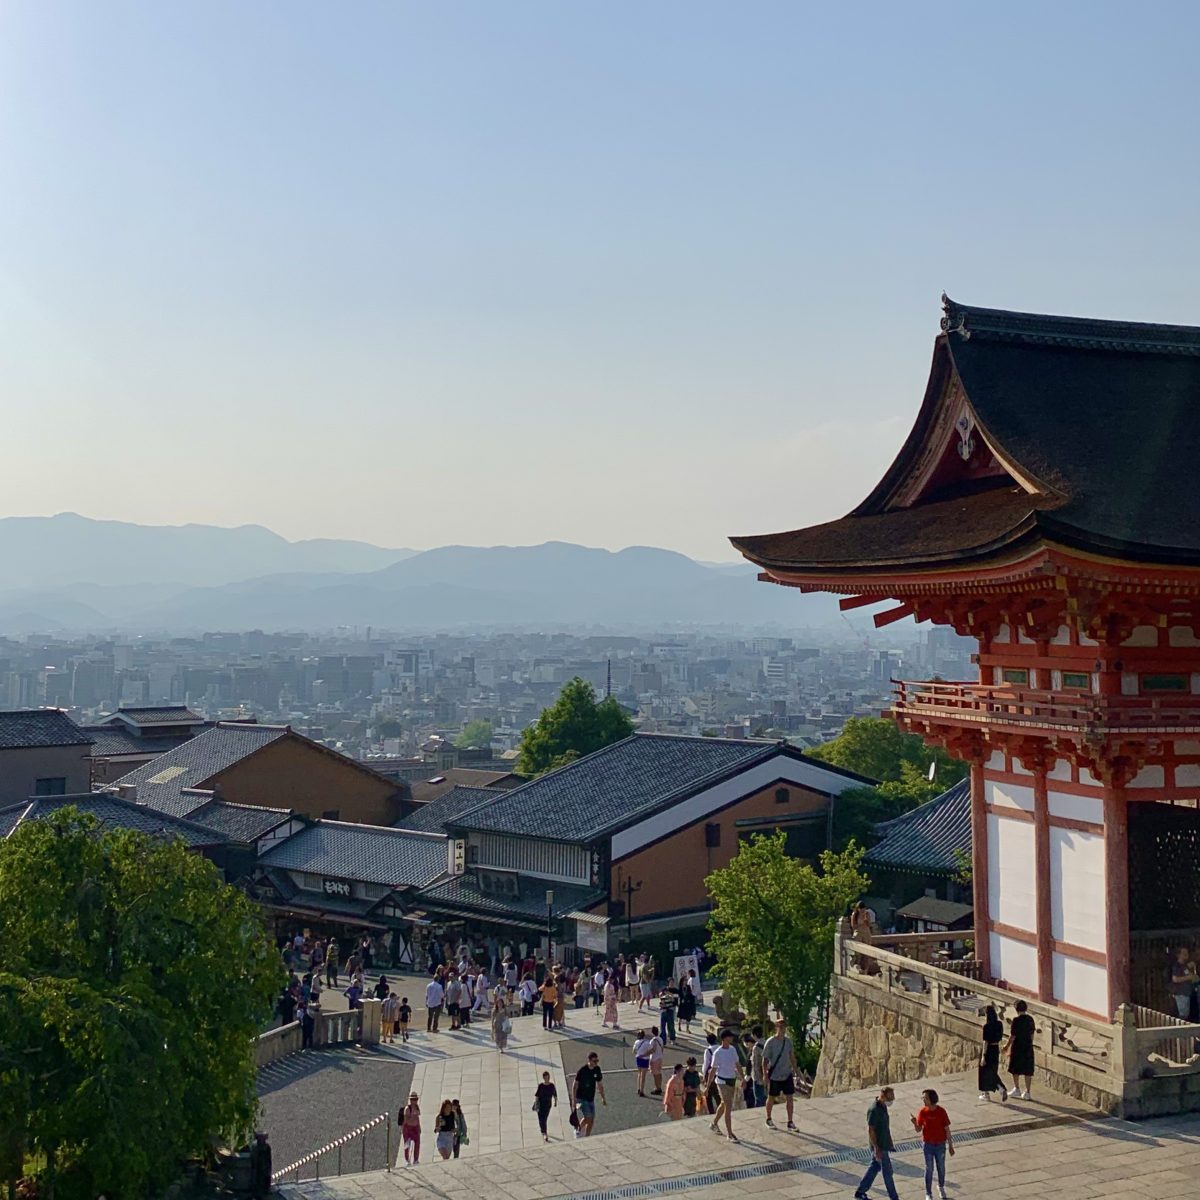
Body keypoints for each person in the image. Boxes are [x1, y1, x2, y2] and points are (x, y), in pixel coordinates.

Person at [854, 1086, 899, 1200]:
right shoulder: (874, 1109)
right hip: (879, 1146)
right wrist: (876, 1148)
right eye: (890, 1097)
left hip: (884, 1144)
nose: (892, 1100)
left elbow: (884, 1126)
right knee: (887, 1173)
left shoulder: (883, 1106)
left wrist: (889, 1141)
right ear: (883, 1095)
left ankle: (860, 1192)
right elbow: (871, 1130)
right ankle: (894, 1197)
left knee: (875, 1167)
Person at [912, 1087, 954, 1200]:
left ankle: (941, 1187)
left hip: (940, 1144)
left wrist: (950, 1145)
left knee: (941, 1167)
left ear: (931, 1099)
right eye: (923, 1098)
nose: (923, 1100)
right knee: (929, 1168)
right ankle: (928, 1193)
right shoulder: (922, 1112)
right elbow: (918, 1129)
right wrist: (915, 1123)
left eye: (925, 1098)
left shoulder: (941, 1111)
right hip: (928, 1145)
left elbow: (947, 1129)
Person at [705, 1028, 744, 1141]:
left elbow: (737, 1064)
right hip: (722, 1081)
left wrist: (742, 1078)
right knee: (728, 1106)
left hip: (732, 1079)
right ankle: (730, 1133)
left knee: (723, 1104)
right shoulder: (718, 1053)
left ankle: (714, 1123)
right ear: (724, 1038)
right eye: (730, 1036)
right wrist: (707, 1086)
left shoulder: (732, 1049)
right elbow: (713, 1070)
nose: (732, 1038)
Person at [762, 1018, 798, 1131]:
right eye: (780, 1027)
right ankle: (768, 1118)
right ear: (776, 1028)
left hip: (787, 1073)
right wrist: (765, 1075)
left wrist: (796, 1071)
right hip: (775, 1075)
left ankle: (790, 1121)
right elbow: (765, 1060)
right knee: (771, 1097)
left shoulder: (788, 1041)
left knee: (790, 1097)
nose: (783, 1029)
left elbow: (792, 1056)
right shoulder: (771, 1042)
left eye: (784, 1027)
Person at [1005, 999, 1036, 1098]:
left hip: (1017, 1046)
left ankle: (1017, 1088)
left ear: (1016, 1009)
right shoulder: (1030, 1019)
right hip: (1028, 1046)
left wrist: (1006, 1046)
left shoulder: (1016, 1021)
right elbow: (1032, 1034)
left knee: (1015, 1068)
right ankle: (1027, 1092)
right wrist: (1030, 1043)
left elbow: (1013, 1036)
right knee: (1028, 1069)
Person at [572, 1051, 606, 1137]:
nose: (596, 1063)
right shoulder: (582, 1070)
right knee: (588, 1118)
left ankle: (587, 1137)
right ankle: (578, 1130)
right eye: (594, 1061)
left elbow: (600, 1084)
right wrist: (574, 1100)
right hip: (581, 1098)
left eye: (597, 1061)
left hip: (590, 1098)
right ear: (589, 1060)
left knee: (591, 1120)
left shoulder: (597, 1069)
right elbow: (574, 1085)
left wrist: (603, 1098)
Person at [978, 1005, 1008, 1102]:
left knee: (984, 1071)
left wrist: (983, 1056)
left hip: (989, 1049)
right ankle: (1001, 1088)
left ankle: (985, 1093)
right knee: (992, 1071)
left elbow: (985, 1042)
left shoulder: (986, 1026)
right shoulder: (999, 1024)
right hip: (996, 1049)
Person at [1170, 947, 1197, 1020]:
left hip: (1186, 993)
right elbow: (1175, 979)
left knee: (1186, 1013)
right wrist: (1189, 977)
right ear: (1179, 955)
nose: (1186, 954)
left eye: (1187, 953)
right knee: (1183, 1015)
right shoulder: (1177, 966)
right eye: (1183, 953)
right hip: (1181, 993)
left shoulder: (1184, 966)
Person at [533, 1069, 558, 1141]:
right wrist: (536, 1103)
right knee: (541, 1119)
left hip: (547, 1105)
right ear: (543, 1078)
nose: (547, 1078)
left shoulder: (551, 1086)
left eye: (548, 1077)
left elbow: (555, 1094)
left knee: (544, 1119)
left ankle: (544, 1131)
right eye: (546, 1077)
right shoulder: (541, 1086)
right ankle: (544, 1133)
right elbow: (537, 1095)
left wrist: (555, 1102)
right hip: (540, 1105)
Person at [701, 1032, 720, 1115]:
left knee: (708, 1094)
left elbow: (706, 1064)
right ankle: (720, 1109)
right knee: (718, 1094)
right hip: (720, 1073)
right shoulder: (720, 1048)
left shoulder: (708, 1050)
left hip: (711, 1074)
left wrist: (704, 1074)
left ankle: (711, 1112)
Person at [249, 1131, 272, 1200]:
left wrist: (268, 1170)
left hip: (264, 1168)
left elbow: (268, 1160)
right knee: (257, 1181)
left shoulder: (267, 1147)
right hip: (257, 1169)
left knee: (263, 1181)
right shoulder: (255, 1147)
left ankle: (263, 1192)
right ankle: (257, 1193)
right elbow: (254, 1160)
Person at [400, 1093, 421, 1166]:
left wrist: (419, 1127)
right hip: (408, 1128)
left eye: (415, 1099)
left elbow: (417, 1118)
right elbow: (406, 1120)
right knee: (407, 1144)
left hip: (415, 1127)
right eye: (413, 1099)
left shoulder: (417, 1107)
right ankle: (407, 1159)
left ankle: (416, 1159)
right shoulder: (407, 1109)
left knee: (417, 1143)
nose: (414, 1101)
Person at [748, 1025, 766, 1108]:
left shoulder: (756, 1047)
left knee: (758, 1098)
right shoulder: (767, 1043)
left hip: (758, 1076)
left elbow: (755, 1064)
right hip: (768, 1074)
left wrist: (757, 1078)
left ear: (754, 1035)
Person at [633, 1030, 654, 1097]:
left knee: (639, 1073)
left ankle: (638, 1088)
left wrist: (639, 1053)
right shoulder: (647, 1043)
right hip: (645, 1059)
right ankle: (642, 1091)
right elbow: (652, 1050)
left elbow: (633, 1051)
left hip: (638, 1058)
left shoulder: (636, 1042)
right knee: (643, 1076)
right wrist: (645, 1054)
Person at [658, 979, 679, 1044]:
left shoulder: (674, 992)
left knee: (671, 1026)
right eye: (670, 982)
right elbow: (660, 998)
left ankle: (672, 1039)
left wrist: (671, 995)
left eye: (672, 982)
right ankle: (663, 1040)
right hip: (663, 1011)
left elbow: (675, 999)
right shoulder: (663, 995)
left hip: (670, 1010)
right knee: (663, 1027)